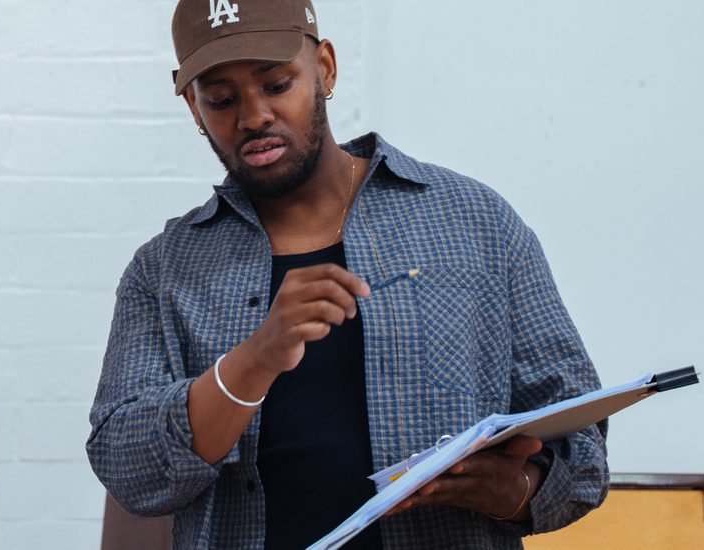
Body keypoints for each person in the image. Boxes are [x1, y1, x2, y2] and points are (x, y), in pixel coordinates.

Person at [86, 1, 607, 549]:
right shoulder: (163, 270)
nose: (254, 115)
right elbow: (127, 470)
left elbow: (584, 442)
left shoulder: (477, 224)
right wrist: (252, 361)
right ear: (194, 107)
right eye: (221, 98)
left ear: (325, 68)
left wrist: (514, 489)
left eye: (277, 83)